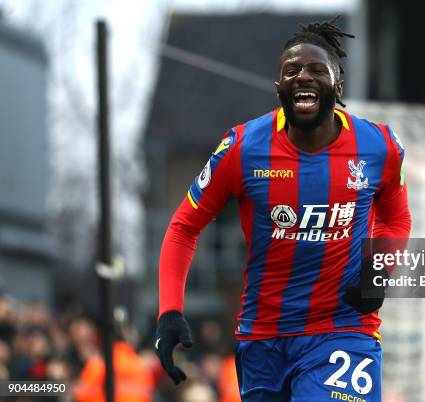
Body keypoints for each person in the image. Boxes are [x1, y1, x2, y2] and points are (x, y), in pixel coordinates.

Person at [155, 16, 411, 402]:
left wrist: (379, 269)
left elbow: (396, 217)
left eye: (315, 69)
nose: (302, 76)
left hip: (343, 329)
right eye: (291, 70)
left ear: (337, 86)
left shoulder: (379, 147)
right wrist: (169, 311)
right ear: (279, 88)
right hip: (263, 338)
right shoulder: (242, 148)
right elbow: (184, 226)